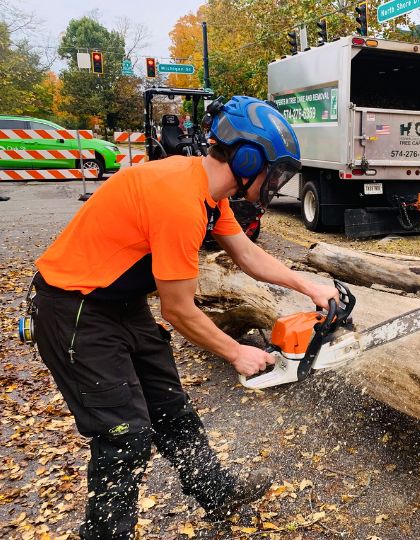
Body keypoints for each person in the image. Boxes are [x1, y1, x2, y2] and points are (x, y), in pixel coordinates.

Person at [30, 96, 337, 539]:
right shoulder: (180, 201)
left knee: (171, 408)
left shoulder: (209, 191)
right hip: (73, 307)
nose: (277, 182)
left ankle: (216, 493)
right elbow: (177, 309)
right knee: (124, 435)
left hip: (121, 304)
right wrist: (237, 352)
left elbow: (246, 252)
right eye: (276, 171)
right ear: (248, 158)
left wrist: (310, 287)